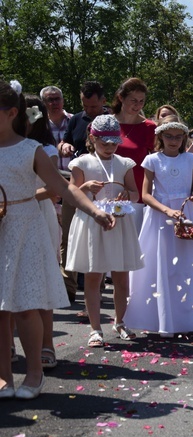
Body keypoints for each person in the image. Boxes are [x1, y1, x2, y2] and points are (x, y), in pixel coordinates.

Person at [0, 80, 114, 400]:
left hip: (25, 228)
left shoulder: (30, 150)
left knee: (24, 306)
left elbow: (64, 189)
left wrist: (96, 211)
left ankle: (34, 373)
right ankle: (4, 377)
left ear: (11, 113)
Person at [124, 116, 193, 338]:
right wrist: (166, 210)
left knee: (183, 266)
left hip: (183, 214)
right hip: (161, 216)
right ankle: (159, 318)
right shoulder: (152, 160)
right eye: (169, 136)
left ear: (183, 138)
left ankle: (184, 317)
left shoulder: (190, 159)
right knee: (159, 265)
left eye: (178, 137)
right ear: (160, 136)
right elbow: (145, 195)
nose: (173, 140)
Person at [66, 115, 143, 348]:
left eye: (113, 142)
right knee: (93, 275)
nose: (110, 147)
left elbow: (135, 193)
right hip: (93, 221)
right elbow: (70, 193)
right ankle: (95, 328)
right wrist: (85, 187)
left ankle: (120, 322)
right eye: (104, 143)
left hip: (119, 221)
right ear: (93, 138)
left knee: (121, 276)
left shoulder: (124, 162)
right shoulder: (83, 162)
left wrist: (127, 195)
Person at [58, 81, 108, 304]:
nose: (89, 111)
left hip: (104, 189)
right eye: (85, 106)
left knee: (102, 238)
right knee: (69, 235)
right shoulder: (77, 119)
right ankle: (68, 288)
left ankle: (97, 287)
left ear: (104, 102)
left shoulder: (112, 122)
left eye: (94, 107)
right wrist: (64, 147)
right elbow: (65, 141)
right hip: (77, 185)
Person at [23, 95, 62, 368]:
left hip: (38, 215)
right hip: (9, 217)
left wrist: (21, 196)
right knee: (12, 282)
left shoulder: (46, 149)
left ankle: (47, 343)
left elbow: (54, 189)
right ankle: (12, 348)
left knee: (41, 282)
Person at [111, 77, 156, 230]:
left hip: (136, 198)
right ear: (121, 97)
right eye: (133, 100)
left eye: (141, 101)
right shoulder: (107, 123)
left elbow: (157, 161)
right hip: (107, 195)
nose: (138, 105)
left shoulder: (150, 128)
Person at [40, 85, 72, 171]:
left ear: (63, 101)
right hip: (49, 176)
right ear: (43, 103)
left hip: (75, 176)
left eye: (57, 99)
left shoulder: (74, 121)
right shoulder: (39, 125)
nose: (54, 103)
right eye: (50, 100)